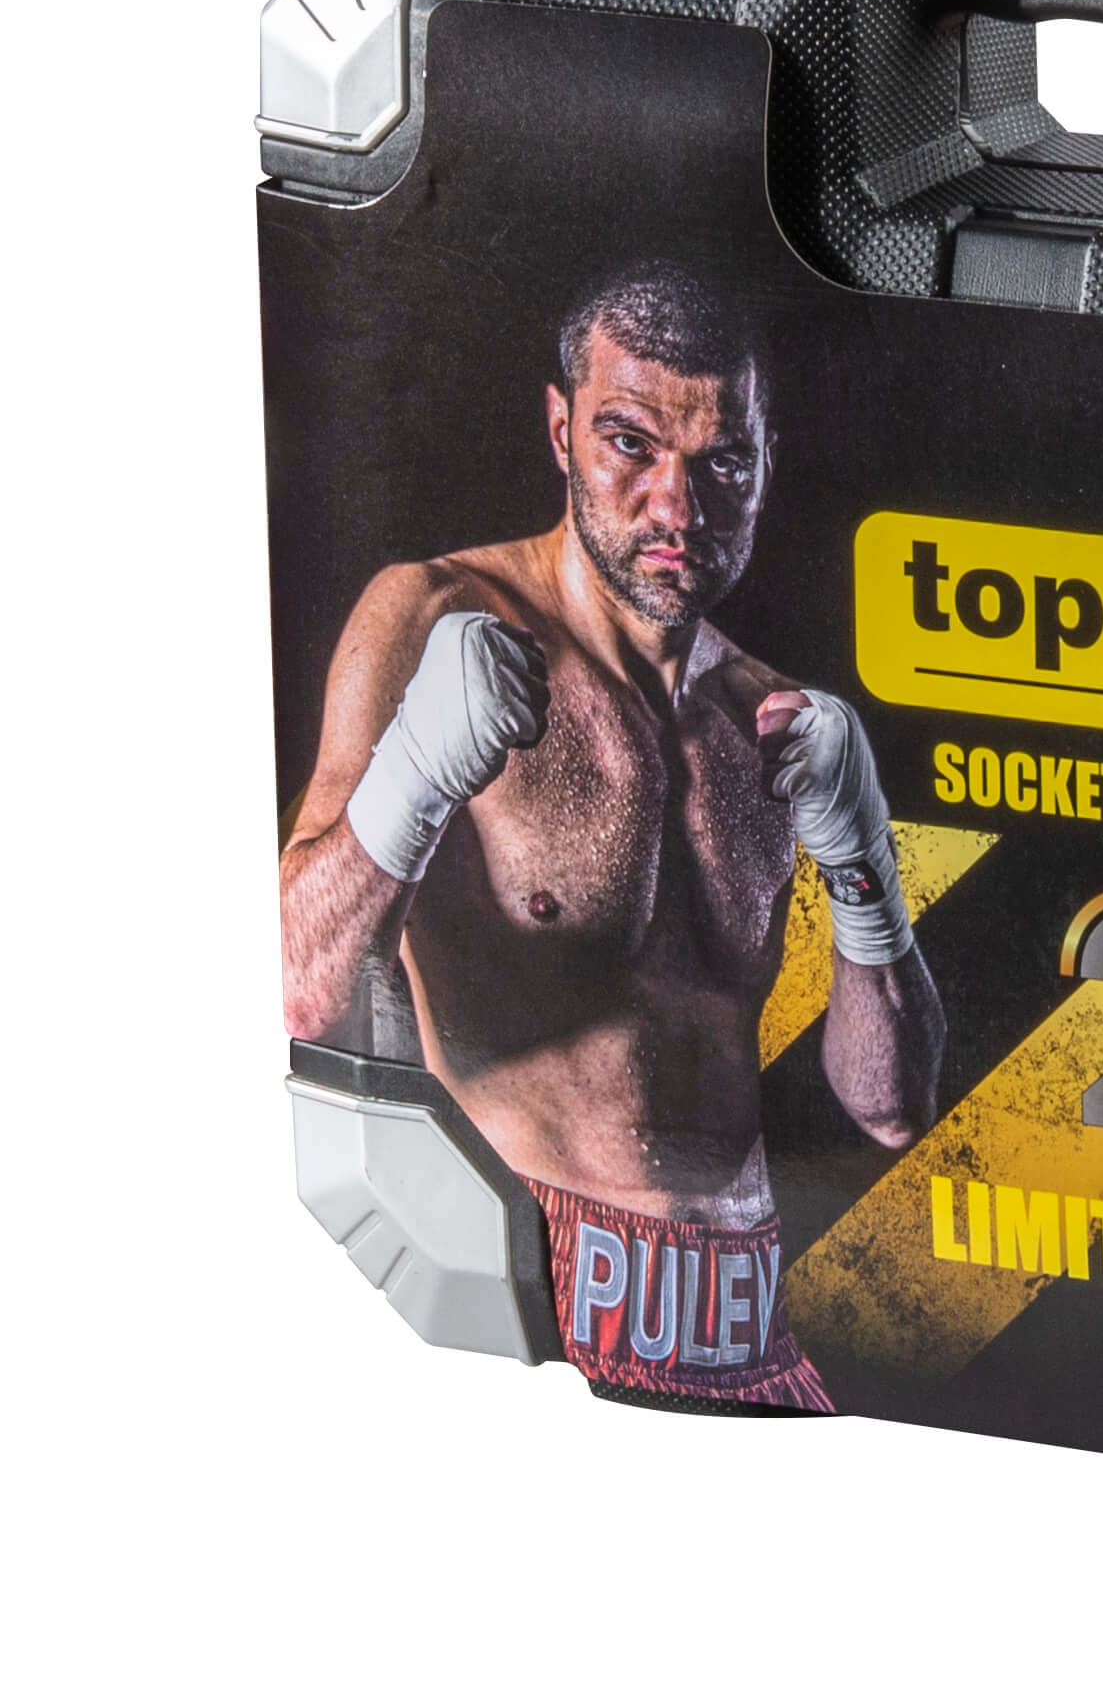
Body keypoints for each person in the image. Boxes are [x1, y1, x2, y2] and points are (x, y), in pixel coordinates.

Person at [277, 260, 944, 1406]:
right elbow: (298, 986)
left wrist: (863, 864)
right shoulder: (433, 616)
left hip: (755, 1327)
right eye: (630, 443)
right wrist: (412, 773)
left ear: (766, 462)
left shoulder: (773, 722)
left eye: (721, 462)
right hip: (521, 1310)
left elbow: (891, 1108)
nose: (677, 508)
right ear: (561, 428)